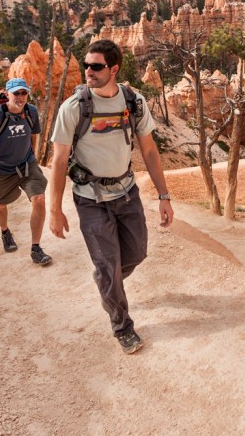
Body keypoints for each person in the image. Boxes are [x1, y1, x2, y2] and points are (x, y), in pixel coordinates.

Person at [48, 39, 173, 354]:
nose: (88, 71)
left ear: (114, 69)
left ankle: (109, 281)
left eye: (96, 66)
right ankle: (123, 327)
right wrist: (54, 208)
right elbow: (59, 160)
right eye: (86, 65)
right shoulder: (73, 108)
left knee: (137, 253)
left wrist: (164, 195)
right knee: (108, 266)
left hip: (127, 192)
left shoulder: (133, 101)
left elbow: (149, 150)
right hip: (90, 199)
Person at [0, 77, 53, 266]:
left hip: (27, 165)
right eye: (16, 93)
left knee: (39, 199)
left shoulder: (30, 111)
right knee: (0, 204)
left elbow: (33, 135)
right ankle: (5, 232)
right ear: (7, 95)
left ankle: (36, 248)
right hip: (2, 169)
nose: (21, 97)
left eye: (24, 93)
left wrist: (33, 157)